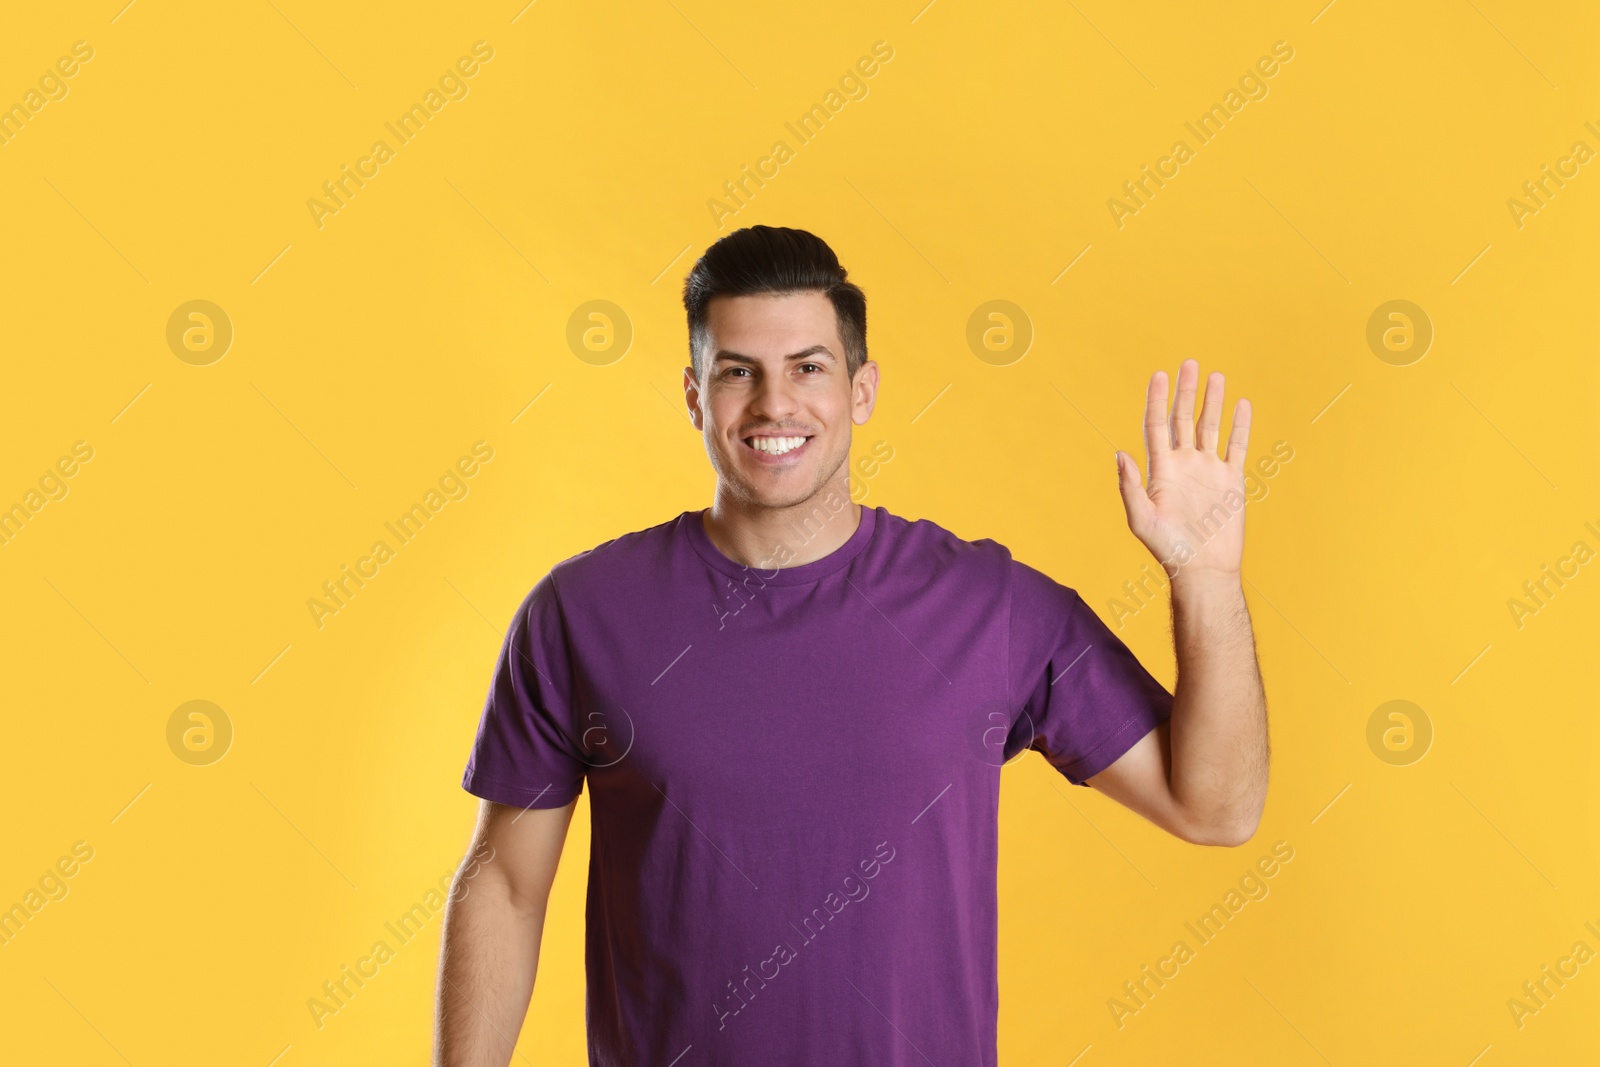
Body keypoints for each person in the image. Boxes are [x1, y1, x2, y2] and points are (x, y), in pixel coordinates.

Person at [433, 225, 1268, 1066]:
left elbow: (1217, 806)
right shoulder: (581, 613)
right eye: (737, 372)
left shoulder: (990, 605)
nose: (773, 405)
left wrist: (1206, 580)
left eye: (808, 366)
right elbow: (503, 886)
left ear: (862, 389)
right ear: (694, 396)